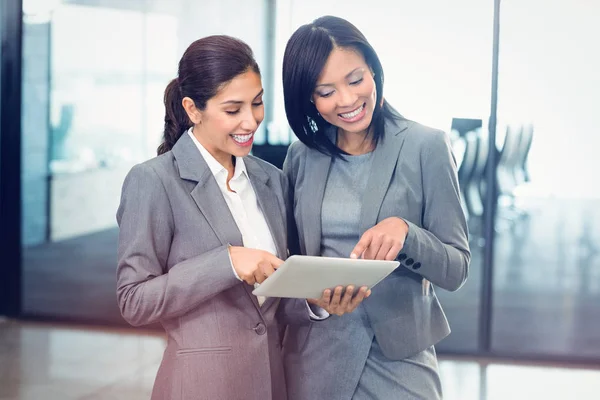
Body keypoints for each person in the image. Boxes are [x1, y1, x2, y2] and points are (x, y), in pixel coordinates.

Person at [116, 35, 367, 400]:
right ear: (193, 109)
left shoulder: (272, 180)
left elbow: (275, 298)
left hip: (270, 385)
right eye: (233, 110)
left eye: (258, 103)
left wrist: (315, 301)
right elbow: (134, 301)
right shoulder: (154, 181)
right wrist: (227, 262)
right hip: (199, 387)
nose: (251, 121)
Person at [281, 16, 471, 400]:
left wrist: (407, 233)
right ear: (309, 99)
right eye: (326, 91)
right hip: (317, 357)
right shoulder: (302, 156)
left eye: (355, 80)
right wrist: (312, 301)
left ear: (374, 72)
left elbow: (457, 269)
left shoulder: (426, 146)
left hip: (399, 360)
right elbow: (286, 260)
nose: (348, 100)